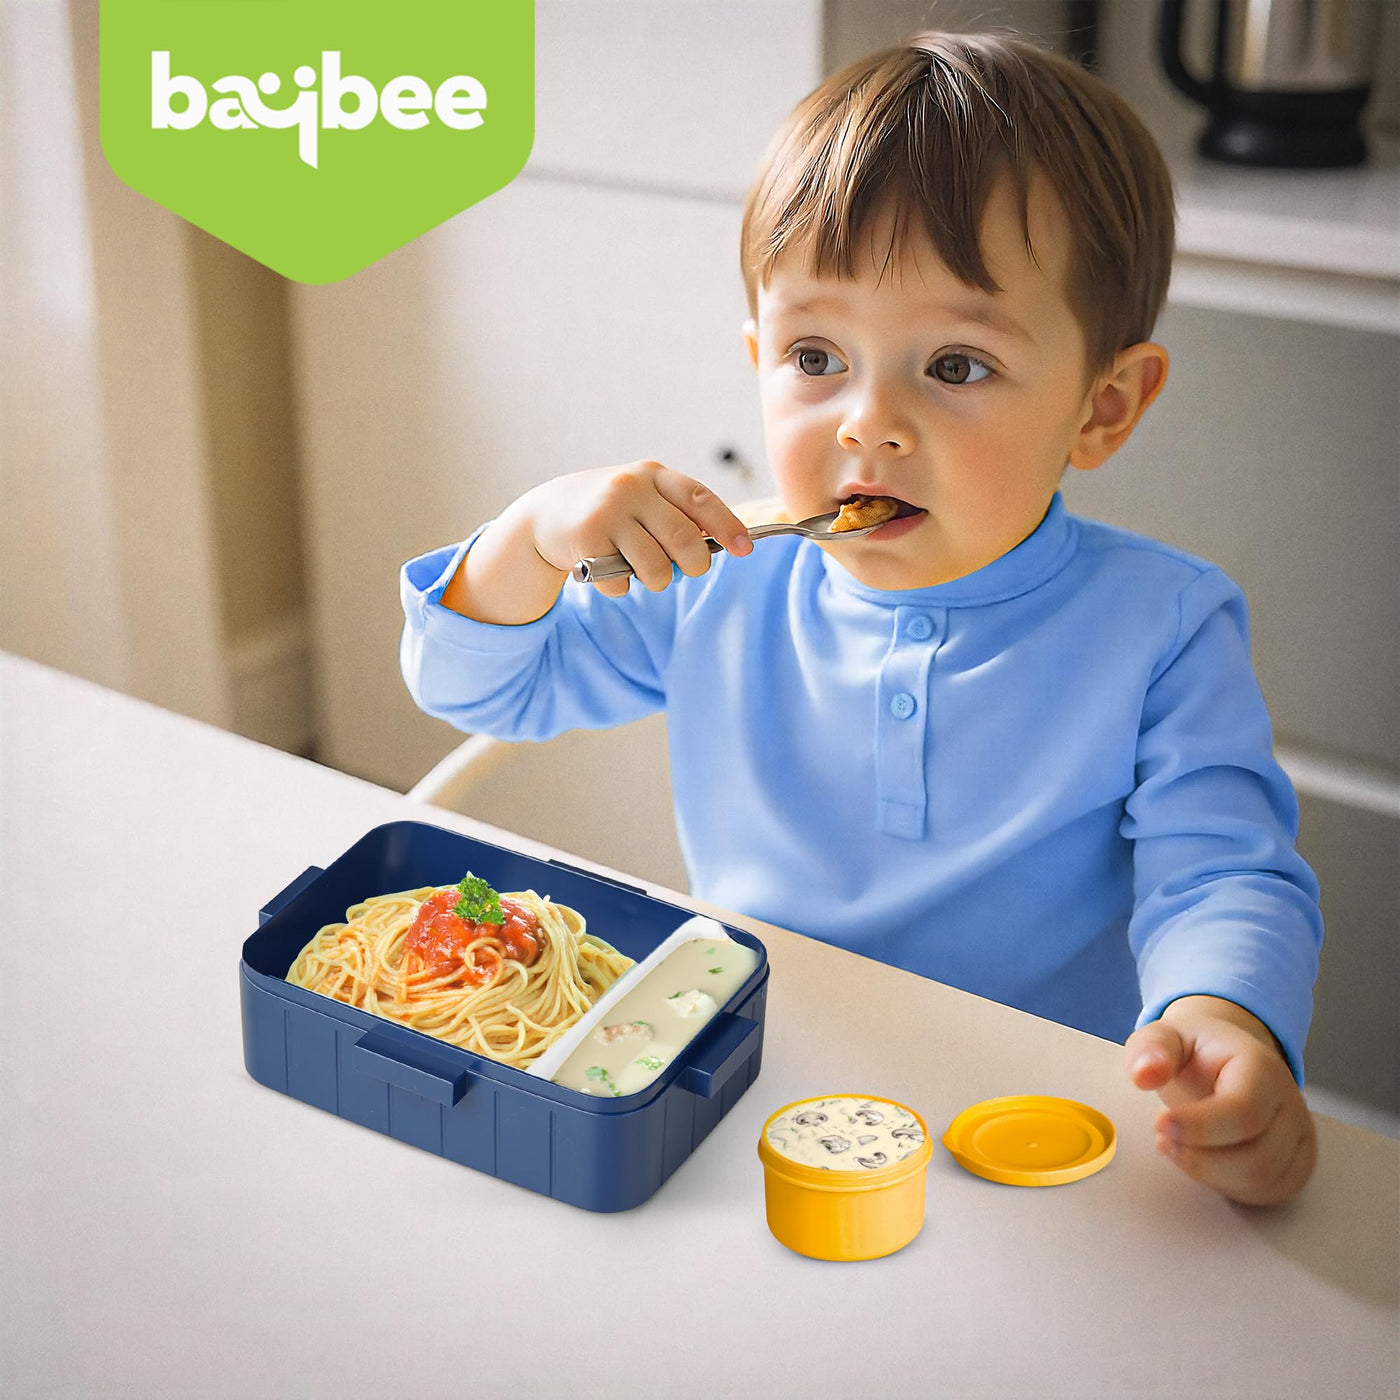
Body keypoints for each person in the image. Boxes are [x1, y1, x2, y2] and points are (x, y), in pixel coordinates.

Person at [399, 31, 1322, 1204]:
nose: (864, 422)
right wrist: (528, 538)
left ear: (1101, 408)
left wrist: (1222, 1016)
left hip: (1033, 1127)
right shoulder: (715, 579)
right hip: (755, 1081)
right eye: (814, 355)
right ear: (757, 361)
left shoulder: (1166, 626)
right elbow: (479, 686)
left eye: (956, 365)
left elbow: (1221, 875)